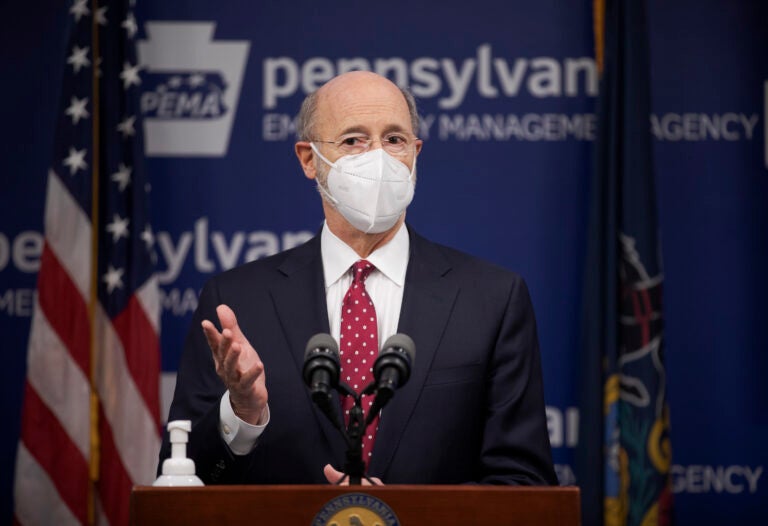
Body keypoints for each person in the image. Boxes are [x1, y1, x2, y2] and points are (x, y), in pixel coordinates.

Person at [161, 71, 557, 486]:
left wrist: (398, 514)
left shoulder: (492, 299)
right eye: (353, 140)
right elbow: (184, 484)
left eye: (394, 140)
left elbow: (524, 483)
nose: (379, 158)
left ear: (415, 153)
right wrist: (242, 412)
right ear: (309, 158)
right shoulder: (237, 302)